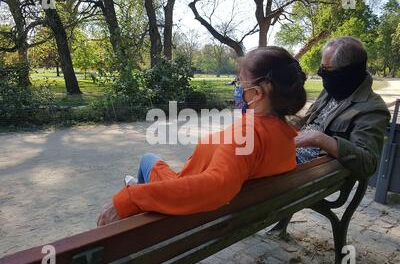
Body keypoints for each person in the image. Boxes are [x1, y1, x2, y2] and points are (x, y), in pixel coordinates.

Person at [97, 46, 307, 226]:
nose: (238, 91)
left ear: (258, 93)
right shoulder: (285, 135)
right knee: (148, 165)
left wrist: (131, 198)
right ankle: (138, 187)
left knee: (147, 159)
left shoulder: (247, 132)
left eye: (240, 85)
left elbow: (216, 186)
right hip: (234, 214)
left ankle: (137, 206)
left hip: (192, 208)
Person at [295, 36, 390, 179]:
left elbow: (368, 163)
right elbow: (307, 122)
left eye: (326, 69)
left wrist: (320, 139)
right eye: (322, 68)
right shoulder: (332, 91)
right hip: (293, 153)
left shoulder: (372, 108)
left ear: (348, 72)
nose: (321, 73)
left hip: (307, 171)